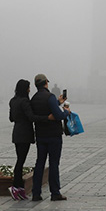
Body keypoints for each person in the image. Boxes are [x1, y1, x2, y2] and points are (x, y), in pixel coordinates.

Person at [9, 78, 53, 201]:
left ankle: (19, 188)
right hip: (25, 134)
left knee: (20, 160)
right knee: (20, 161)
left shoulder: (13, 101)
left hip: (16, 133)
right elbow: (32, 117)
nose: (29, 89)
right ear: (25, 89)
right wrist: (47, 118)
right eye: (28, 87)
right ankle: (16, 187)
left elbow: (11, 118)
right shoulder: (24, 102)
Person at [30, 73, 70, 202]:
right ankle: (55, 193)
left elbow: (41, 112)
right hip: (53, 136)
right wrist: (66, 112)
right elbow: (58, 115)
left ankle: (36, 193)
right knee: (53, 164)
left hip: (41, 136)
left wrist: (58, 102)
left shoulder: (34, 98)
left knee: (39, 163)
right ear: (46, 83)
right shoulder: (50, 97)